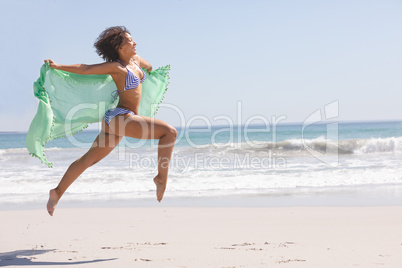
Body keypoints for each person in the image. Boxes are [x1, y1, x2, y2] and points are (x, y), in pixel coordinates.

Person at [45, 26, 177, 216]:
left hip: (118, 120)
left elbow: (148, 66)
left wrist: (149, 70)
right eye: (130, 40)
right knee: (169, 132)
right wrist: (58, 66)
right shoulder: (117, 68)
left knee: (88, 160)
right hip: (120, 117)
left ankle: (57, 192)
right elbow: (86, 69)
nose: (135, 42)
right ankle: (161, 179)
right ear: (119, 46)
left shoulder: (136, 61)